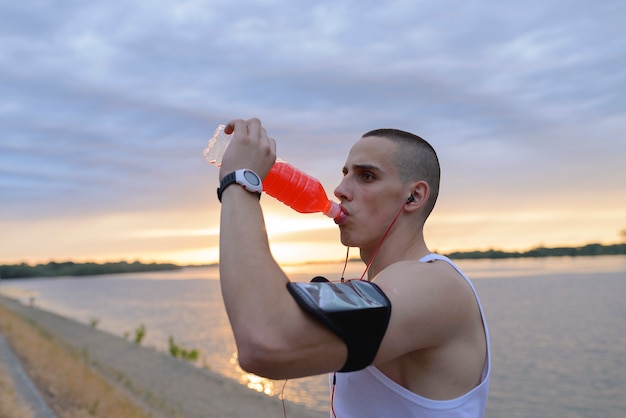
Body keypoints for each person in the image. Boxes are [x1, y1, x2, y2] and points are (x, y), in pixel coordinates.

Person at [217, 118, 491, 417]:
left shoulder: (435, 284)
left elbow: (268, 341)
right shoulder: (384, 287)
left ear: (414, 196)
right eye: (345, 174)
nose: (339, 190)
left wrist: (241, 181)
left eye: (367, 176)